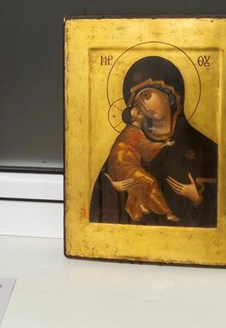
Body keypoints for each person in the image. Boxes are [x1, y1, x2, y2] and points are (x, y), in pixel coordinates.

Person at [89, 56, 218, 227]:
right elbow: (101, 208)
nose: (144, 106)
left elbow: (222, 213)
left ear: (169, 92)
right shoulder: (129, 143)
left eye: (147, 95)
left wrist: (196, 198)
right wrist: (115, 187)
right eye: (137, 102)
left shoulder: (202, 146)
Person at [105, 102, 178, 223]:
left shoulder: (132, 130)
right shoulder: (133, 132)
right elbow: (146, 148)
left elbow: (144, 149)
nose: (142, 112)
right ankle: (166, 213)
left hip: (123, 166)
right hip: (123, 165)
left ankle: (138, 206)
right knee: (149, 181)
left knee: (141, 184)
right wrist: (163, 145)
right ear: (133, 118)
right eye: (138, 112)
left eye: (141, 110)